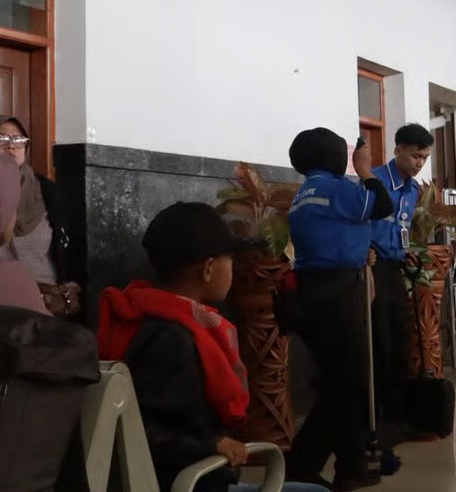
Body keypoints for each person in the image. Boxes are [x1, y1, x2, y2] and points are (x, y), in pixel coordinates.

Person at [96, 202, 328, 492]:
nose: (232, 269)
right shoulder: (173, 340)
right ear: (208, 269)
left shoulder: (147, 315)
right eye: (230, 261)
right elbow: (147, 434)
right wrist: (211, 445)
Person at [285, 128, 395, 491]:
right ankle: (302, 464)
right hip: (337, 293)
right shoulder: (336, 187)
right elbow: (381, 205)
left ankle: (353, 466)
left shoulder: (304, 193)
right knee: (347, 383)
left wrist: (358, 249)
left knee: (343, 380)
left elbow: (333, 233)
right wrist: (365, 170)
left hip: (313, 291)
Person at [369, 123, 435, 442]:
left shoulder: (411, 190)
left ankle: (400, 418)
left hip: (395, 269)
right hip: (371, 271)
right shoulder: (375, 182)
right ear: (397, 150)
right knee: (380, 344)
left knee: (400, 343)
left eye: (425, 158)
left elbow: (402, 226)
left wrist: (406, 251)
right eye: (415, 156)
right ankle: (380, 420)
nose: (420, 163)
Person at [0, 118, 69, 290]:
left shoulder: (46, 190)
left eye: (18, 140)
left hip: (43, 293)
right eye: (2, 138)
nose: (11, 146)